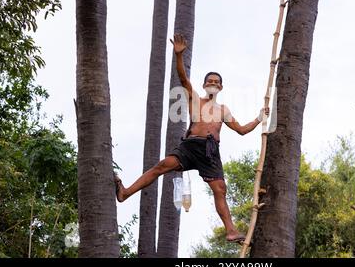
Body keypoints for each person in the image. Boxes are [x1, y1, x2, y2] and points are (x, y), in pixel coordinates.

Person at [115, 33, 269, 243]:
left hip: (210, 151)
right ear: (205, 85)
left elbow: (241, 130)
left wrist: (259, 118)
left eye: (216, 82)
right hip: (190, 147)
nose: (213, 83)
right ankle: (125, 193)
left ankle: (231, 230)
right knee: (160, 166)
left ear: (221, 87)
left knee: (220, 189)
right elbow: (183, 79)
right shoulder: (195, 100)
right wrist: (179, 56)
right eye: (209, 81)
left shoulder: (223, 110)